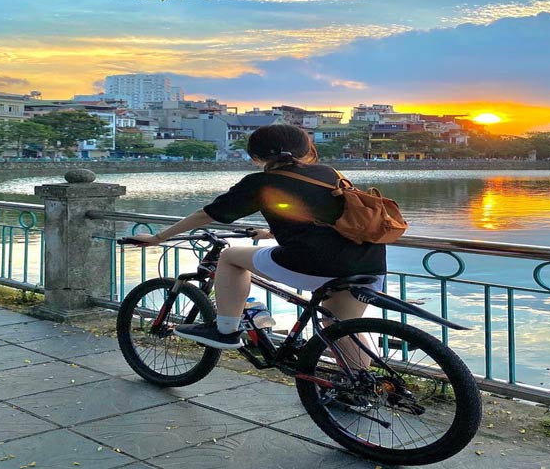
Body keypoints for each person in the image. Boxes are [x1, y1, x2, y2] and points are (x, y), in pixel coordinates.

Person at [129, 124, 386, 349]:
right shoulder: (330, 173)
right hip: (369, 259)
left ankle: (226, 330)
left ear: (255, 157)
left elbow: (206, 215)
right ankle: (362, 391)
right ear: (308, 151)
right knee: (341, 329)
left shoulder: (260, 183)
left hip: (316, 263)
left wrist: (158, 237)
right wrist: (271, 232)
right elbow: (322, 218)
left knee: (230, 257)